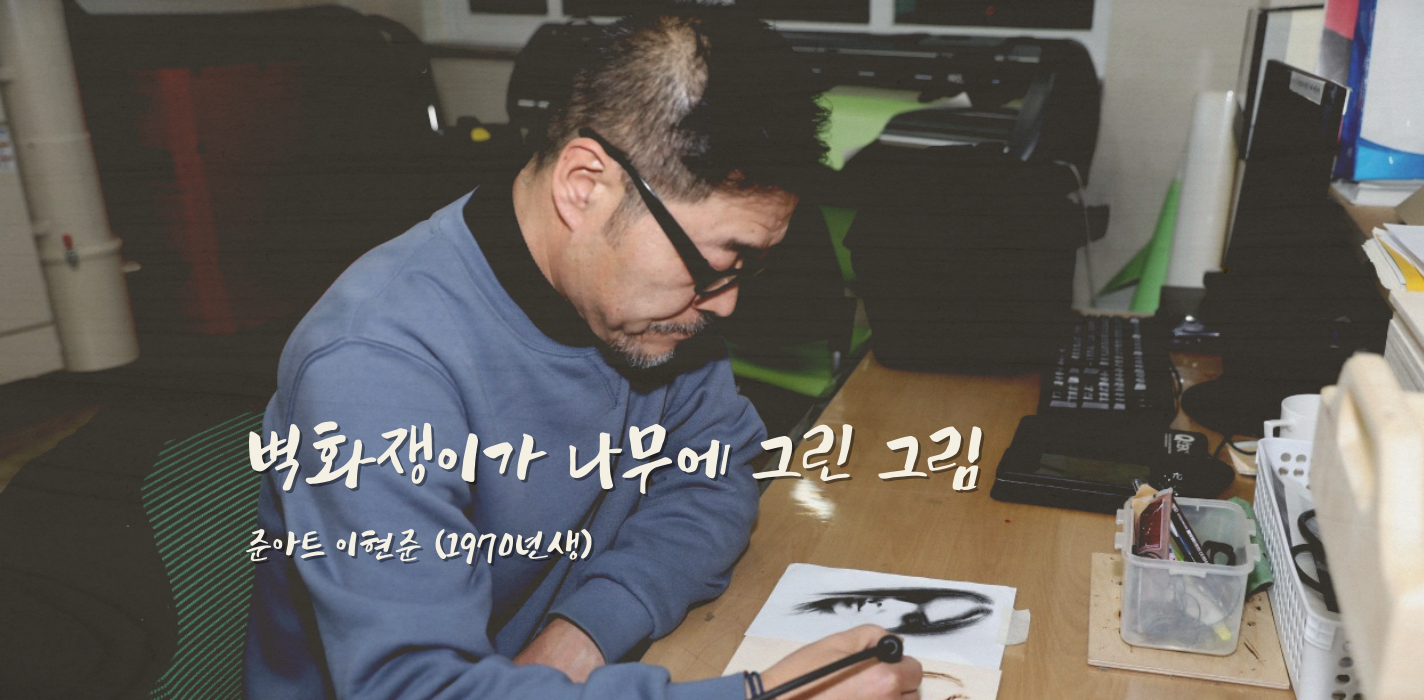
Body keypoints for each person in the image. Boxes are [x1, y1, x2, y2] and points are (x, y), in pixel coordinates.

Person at [243, 7, 922, 700]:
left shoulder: (652, 310)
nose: (724, 305)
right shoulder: (375, 368)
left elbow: (715, 477)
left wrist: (582, 633)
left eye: (748, 266)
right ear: (583, 186)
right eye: (718, 262)